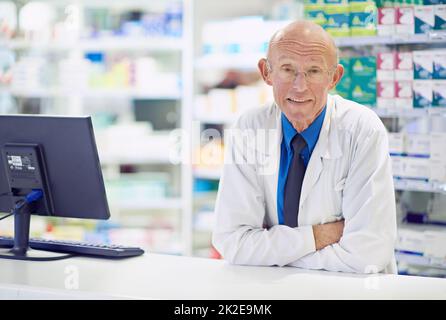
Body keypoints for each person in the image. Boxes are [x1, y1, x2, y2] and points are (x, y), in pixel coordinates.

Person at [212, 20, 397, 274]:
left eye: (313, 71)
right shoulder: (250, 127)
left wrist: (272, 254)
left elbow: (367, 253)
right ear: (266, 72)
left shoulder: (362, 129)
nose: (300, 86)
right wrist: (320, 236)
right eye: (287, 70)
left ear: (334, 77)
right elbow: (232, 242)